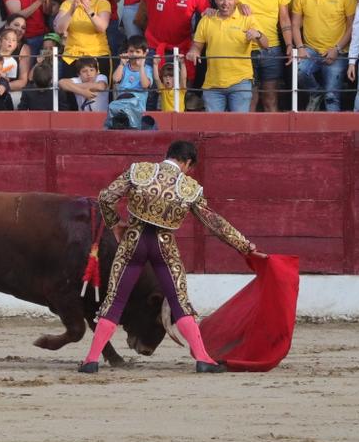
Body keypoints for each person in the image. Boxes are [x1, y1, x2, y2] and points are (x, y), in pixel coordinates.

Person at [80, 141, 259, 374]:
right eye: (189, 167)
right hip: (163, 246)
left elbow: (105, 197)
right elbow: (214, 223)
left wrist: (115, 224)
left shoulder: (139, 170)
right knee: (179, 302)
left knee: (114, 301)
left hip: (133, 241)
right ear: (187, 162)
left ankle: (92, 360)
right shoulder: (189, 187)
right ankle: (203, 359)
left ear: (168, 155)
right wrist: (244, 246)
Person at [291, 0, 354, 110]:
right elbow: (295, 23)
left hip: (337, 50)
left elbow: (352, 26)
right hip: (310, 49)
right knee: (298, 71)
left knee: (332, 97)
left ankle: (336, 133)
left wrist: (337, 49)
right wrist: (299, 47)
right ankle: (315, 92)